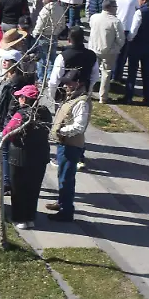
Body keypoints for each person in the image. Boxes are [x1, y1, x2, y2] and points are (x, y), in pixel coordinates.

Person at [0, 85, 53, 230]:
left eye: (20, 96)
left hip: (19, 157)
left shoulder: (21, 115)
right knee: (33, 189)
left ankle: (19, 218)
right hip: (40, 157)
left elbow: (7, 132)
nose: (18, 99)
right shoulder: (45, 112)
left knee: (18, 189)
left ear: (24, 99)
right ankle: (30, 217)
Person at [47, 70, 91, 222]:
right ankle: (61, 202)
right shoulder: (72, 97)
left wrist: (60, 131)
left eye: (69, 83)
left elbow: (79, 126)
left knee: (66, 178)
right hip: (64, 143)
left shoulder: (82, 102)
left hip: (70, 145)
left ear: (79, 83)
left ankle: (66, 212)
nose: (65, 85)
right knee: (62, 175)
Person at [88, 0, 124, 104]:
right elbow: (121, 39)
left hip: (94, 48)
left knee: (92, 72)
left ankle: (88, 92)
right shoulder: (115, 21)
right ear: (110, 8)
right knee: (106, 73)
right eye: (115, 7)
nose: (116, 9)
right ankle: (103, 97)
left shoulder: (94, 18)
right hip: (108, 51)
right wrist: (115, 49)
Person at [111, 0, 141, 82]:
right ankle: (117, 75)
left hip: (115, 24)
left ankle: (111, 73)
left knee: (113, 51)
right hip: (126, 27)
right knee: (122, 54)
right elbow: (139, 10)